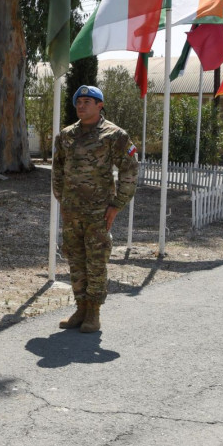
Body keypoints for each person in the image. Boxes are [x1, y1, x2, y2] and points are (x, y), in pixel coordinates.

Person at [52, 85, 138, 333]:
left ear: (100, 105)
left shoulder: (115, 135)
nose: (81, 105)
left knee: (96, 261)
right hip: (72, 212)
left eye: (87, 101)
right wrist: (63, 200)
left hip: (99, 212)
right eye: (78, 102)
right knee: (76, 260)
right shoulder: (66, 136)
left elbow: (129, 170)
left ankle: (94, 312)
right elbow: (58, 171)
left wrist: (117, 204)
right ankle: (80, 307)